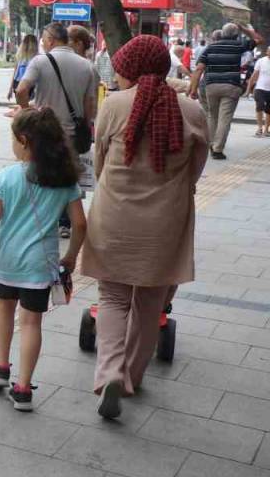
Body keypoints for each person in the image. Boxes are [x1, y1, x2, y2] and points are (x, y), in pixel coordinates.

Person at [82, 35, 208, 419]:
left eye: (121, 71)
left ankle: (110, 373)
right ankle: (132, 376)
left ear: (132, 71)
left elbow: (99, 162)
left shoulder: (115, 106)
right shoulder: (191, 111)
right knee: (150, 302)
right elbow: (195, 172)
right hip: (166, 221)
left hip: (115, 216)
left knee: (114, 298)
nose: (117, 77)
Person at [0, 107, 85, 412]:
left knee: (4, 309)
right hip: (40, 265)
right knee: (32, 321)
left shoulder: (7, 177)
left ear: (23, 140)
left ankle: (1, 368)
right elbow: (80, 224)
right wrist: (71, 257)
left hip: (7, 261)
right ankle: (23, 389)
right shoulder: (65, 179)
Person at [15, 22, 99, 237]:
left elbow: (22, 89)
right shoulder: (87, 65)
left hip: (45, 131)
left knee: (40, 174)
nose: (42, 42)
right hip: (72, 133)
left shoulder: (40, 61)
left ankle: (42, 220)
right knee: (68, 177)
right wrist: (85, 125)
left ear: (51, 39)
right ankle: (66, 223)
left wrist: (27, 111)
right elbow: (90, 106)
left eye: (43, 38)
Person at [189, 22, 262, 159]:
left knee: (212, 116)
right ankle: (217, 149)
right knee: (225, 118)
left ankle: (210, 144)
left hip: (211, 86)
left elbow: (199, 68)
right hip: (231, 86)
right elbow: (259, 39)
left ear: (222, 34)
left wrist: (193, 89)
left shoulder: (210, 47)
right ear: (235, 35)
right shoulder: (238, 45)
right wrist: (244, 29)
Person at [6, 34, 39, 118]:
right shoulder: (36, 57)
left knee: (23, 110)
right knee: (27, 110)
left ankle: (21, 123)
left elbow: (15, 73)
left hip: (20, 83)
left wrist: (10, 89)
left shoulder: (22, 56)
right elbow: (15, 71)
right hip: (29, 85)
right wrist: (10, 89)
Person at [248, 46, 270, 137]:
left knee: (269, 110)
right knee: (259, 106)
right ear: (267, 52)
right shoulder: (261, 61)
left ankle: (266, 130)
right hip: (260, 88)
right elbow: (254, 75)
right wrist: (249, 89)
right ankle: (259, 128)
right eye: (269, 51)